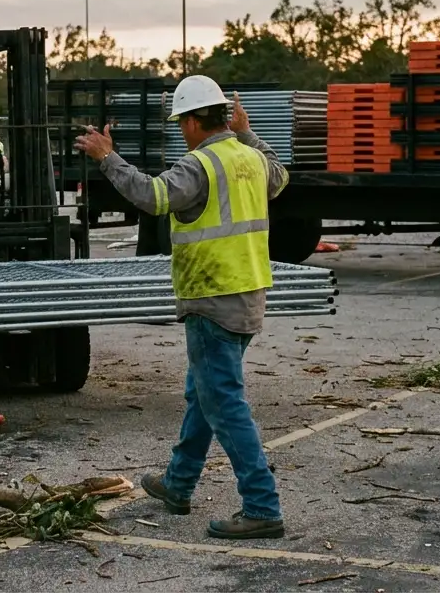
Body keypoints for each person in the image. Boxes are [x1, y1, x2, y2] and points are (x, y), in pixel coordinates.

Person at [74, 74, 289, 541]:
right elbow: (280, 173)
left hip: (212, 300)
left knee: (224, 403)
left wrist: (107, 159)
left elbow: (151, 197)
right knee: (204, 394)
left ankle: (262, 505)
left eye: (182, 123)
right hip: (248, 295)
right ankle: (178, 483)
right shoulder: (250, 158)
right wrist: (248, 131)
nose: (181, 131)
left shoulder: (200, 165)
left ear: (193, 121)